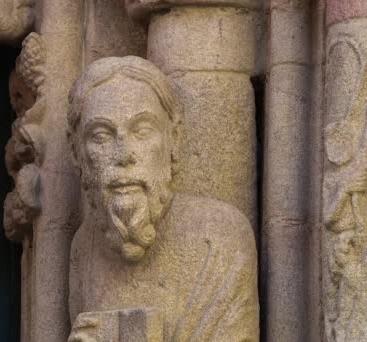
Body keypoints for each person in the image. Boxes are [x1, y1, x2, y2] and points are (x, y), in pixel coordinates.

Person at [67, 56, 258, 341]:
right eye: (101, 135)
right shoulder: (84, 247)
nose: (124, 154)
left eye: (142, 131)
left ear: (174, 140)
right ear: (76, 152)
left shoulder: (220, 238)